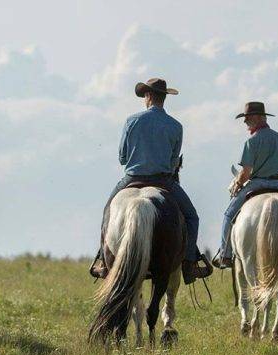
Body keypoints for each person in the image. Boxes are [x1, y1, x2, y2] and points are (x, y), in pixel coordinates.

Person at [88, 78, 212, 285]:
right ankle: (190, 263)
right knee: (191, 217)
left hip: (132, 178)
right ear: (164, 98)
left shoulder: (131, 121)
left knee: (109, 211)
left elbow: (122, 157)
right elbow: (174, 162)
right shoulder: (176, 126)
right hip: (163, 181)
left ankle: (103, 260)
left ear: (147, 96)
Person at [212, 102, 278, 268]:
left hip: (256, 184)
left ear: (258, 117)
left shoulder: (251, 141)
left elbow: (246, 173)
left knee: (229, 215)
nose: (245, 122)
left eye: (247, 118)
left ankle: (225, 254)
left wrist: (238, 183)